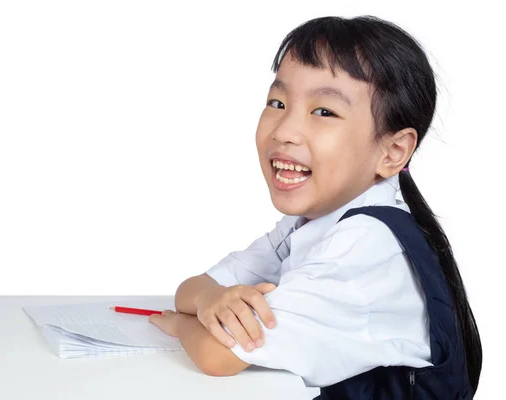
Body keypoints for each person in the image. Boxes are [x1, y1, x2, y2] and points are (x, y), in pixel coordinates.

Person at [149, 15, 482, 399]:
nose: (284, 131)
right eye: (277, 102)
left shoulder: (366, 246)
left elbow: (218, 355)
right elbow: (194, 288)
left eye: (324, 111)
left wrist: (180, 325)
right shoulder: (311, 223)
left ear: (393, 151)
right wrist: (208, 301)